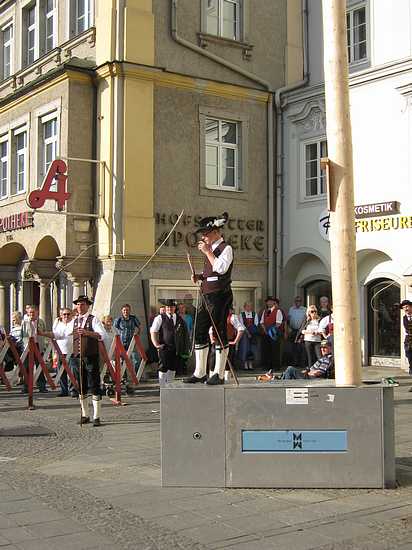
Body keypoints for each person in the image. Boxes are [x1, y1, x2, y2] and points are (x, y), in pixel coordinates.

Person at [184, 212, 233, 386]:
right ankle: (200, 372)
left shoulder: (225, 248)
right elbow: (210, 273)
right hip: (207, 295)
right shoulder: (210, 249)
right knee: (199, 330)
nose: (203, 237)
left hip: (220, 295)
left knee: (219, 332)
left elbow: (220, 268)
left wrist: (207, 252)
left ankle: (218, 374)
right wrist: (199, 277)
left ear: (215, 232)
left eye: (205, 233)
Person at [50, 295, 106, 426]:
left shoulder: (93, 320)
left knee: (94, 385)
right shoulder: (74, 321)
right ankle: (85, 414)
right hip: (77, 358)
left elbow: (101, 335)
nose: (80, 307)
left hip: (90, 356)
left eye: (82, 304)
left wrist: (87, 333)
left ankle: (96, 416)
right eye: (78, 304)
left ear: (87, 306)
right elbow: (61, 334)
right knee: (81, 386)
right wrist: (43, 333)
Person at [150, 299, 190, 386]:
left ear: (174, 308)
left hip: (176, 348)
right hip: (164, 347)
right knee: (163, 367)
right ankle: (162, 387)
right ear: (165, 308)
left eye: (171, 307)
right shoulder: (160, 318)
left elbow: (184, 333)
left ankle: (169, 386)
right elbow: (153, 331)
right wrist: (156, 344)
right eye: (168, 307)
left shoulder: (180, 319)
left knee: (173, 367)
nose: (169, 309)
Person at [21, 306, 48, 393]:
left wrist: (45, 345)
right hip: (28, 346)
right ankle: (26, 386)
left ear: (37, 312)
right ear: (28, 313)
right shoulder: (24, 322)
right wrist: (23, 346)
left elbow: (45, 332)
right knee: (27, 367)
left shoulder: (41, 322)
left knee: (40, 366)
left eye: (33, 312)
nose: (32, 314)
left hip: (38, 345)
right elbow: (22, 335)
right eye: (30, 312)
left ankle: (42, 386)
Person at [52, 308, 73, 397]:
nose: (66, 316)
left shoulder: (74, 324)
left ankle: (73, 389)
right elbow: (54, 336)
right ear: (61, 316)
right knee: (61, 372)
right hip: (60, 351)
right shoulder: (58, 325)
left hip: (72, 351)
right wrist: (55, 352)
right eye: (64, 314)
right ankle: (64, 390)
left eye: (68, 314)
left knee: (72, 372)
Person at [114, 304, 141, 372]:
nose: (126, 311)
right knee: (123, 360)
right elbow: (114, 329)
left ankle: (136, 376)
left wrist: (137, 334)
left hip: (131, 342)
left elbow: (139, 327)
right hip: (122, 343)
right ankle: (124, 377)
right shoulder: (118, 319)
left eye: (127, 310)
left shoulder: (133, 318)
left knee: (136, 359)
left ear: (130, 311)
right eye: (124, 310)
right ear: (122, 311)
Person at [260, 296, 283, 371]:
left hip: (274, 332)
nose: (269, 303)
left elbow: (278, 323)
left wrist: (271, 330)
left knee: (275, 350)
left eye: (271, 301)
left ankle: (276, 366)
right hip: (266, 333)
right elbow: (262, 322)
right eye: (268, 301)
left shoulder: (278, 311)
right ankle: (267, 365)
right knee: (266, 349)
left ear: (274, 302)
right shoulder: (265, 311)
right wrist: (266, 330)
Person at [238, 302, 259, 370]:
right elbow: (241, 324)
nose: (249, 307)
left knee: (252, 349)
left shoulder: (254, 314)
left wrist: (252, 332)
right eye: (247, 306)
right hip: (244, 334)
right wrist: (247, 332)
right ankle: (245, 364)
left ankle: (250, 364)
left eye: (250, 306)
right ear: (244, 307)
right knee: (245, 348)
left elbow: (256, 323)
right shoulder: (241, 314)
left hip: (253, 334)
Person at [400, 299, 412, 377]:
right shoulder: (404, 317)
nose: (406, 309)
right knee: (410, 359)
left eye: (407, 306)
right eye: (404, 307)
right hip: (408, 342)